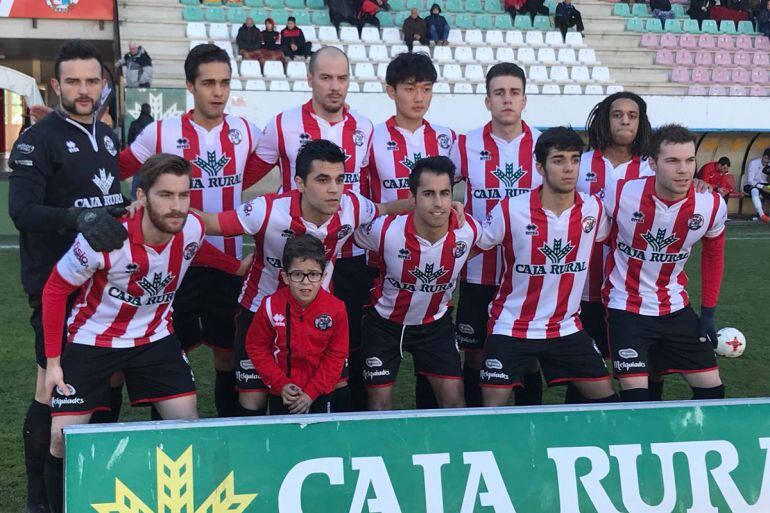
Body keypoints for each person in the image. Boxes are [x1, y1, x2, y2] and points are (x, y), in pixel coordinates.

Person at [41, 154, 251, 513]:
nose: (177, 206)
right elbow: (55, 290)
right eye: (166, 195)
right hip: (93, 339)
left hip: (154, 337)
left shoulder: (192, 228)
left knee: (189, 428)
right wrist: (54, 362)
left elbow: (197, 252)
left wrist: (235, 267)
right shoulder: (105, 239)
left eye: (184, 196)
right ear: (141, 195)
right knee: (61, 440)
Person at [197, 139, 417, 416]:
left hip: (316, 316)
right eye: (322, 179)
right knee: (252, 402)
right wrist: (156, 211)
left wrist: (434, 208)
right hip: (260, 313)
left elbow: (384, 208)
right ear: (299, 183)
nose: (334, 189)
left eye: (340, 179)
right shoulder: (266, 210)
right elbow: (211, 223)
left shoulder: (351, 206)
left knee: (332, 390)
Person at [8, 39, 128, 513]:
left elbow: (101, 200)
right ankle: (39, 498)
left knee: (110, 377)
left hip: (103, 284)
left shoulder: (106, 135)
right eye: (73, 81)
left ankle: (90, 475)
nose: (84, 90)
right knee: (50, 387)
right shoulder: (38, 140)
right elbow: (21, 211)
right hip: (54, 285)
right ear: (56, 85)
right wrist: (74, 220)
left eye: (92, 81)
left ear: (104, 85)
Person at [119, 44, 267, 419]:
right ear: (190, 85)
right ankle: (166, 434)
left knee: (228, 353)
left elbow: (259, 175)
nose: (218, 92)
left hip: (230, 265)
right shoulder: (161, 133)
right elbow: (112, 171)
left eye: (224, 83)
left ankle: (230, 433)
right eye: (208, 83)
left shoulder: (246, 131)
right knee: (167, 352)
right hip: (172, 269)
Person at [250, 47, 375, 411]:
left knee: (343, 347)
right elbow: (247, 176)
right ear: (309, 79)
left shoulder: (364, 128)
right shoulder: (282, 124)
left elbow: (368, 192)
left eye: (342, 78)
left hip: (345, 254)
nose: (335, 86)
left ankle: (344, 426)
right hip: (291, 253)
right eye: (326, 77)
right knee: (285, 339)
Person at [475, 127, 618, 407]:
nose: (568, 168)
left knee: (609, 406)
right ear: (540, 166)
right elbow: (473, 245)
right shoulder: (510, 210)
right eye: (558, 160)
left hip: (566, 327)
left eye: (575, 159)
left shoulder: (594, 210)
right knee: (490, 413)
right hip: (512, 326)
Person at [604, 124, 727, 403]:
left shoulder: (711, 204)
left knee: (713, 392)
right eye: (672, 160)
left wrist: (708, 313)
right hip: (626, 307)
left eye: (689, 160)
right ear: (652, 163)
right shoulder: (621, 193)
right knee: (637, 401)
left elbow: (713, 256)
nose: (683, 170)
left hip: (675, 308)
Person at [361, 52, 456, 409]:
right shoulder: (371, 137)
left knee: (434, 372)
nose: (419, 97)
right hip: (380, 262)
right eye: (410, 88)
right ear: (391, 91)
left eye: (427, 89)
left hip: (433, 260)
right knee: (371, 362)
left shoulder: (447, 139)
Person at [450, 63, 542, 408]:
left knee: (529, 354)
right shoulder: (466, 144)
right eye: (499, 93)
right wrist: (453, 210)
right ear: (487, 101)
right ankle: (476, 427)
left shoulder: (542, 146)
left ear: (524, 99)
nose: (507, 100)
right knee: (474, 353)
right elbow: (440, 186)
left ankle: (529, 425)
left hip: (529, 273)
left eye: (514, 92)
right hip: (478, 269)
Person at [356, 157, 475, 411]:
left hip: (435, 325)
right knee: (378, 406)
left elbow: (485, 245)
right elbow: (346, 227)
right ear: (413, 198)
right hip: (385, 325)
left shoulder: (468, 231)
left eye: (445, 193)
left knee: (454, 402)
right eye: (429, 194)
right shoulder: (385, 231)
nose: (438, 203)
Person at [576, 92, 653, 365]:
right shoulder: (580, 164)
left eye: (632, 116)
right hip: (583, 286)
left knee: (641, 366)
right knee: (587, 369)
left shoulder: (651, 169)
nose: (625, 121)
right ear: (605, 121)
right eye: (617, 115)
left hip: (635, 289)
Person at [245, 235, 349, 415]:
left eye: (313, 274)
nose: (306, 282)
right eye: (298, 274)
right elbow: (256, 346)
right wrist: (281, 384)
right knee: (285, 441)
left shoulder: (336, 308)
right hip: (283, 393)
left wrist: (312, 392)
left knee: (321, 440)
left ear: (323, 276)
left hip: (321, 392)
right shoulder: (270, 306)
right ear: (285, 277)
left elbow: (337, 354)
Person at [128, 103, 155, 199]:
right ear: (149, 110)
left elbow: (129, 141)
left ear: (141, 110)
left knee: (137, 179)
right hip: (151, 156)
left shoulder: (134, 124)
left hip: (137, 155)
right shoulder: (154, 124)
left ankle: (134, 199)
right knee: (152, 179)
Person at [745, 148, 770, 222]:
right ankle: (762, 215)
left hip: (765, 185)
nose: (766, 161)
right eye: (765, 158)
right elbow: (750, 180)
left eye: (768, 160)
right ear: (763, 156)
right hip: (751, 185)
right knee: (754, 190)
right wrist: (762, 187)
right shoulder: (754, 163)